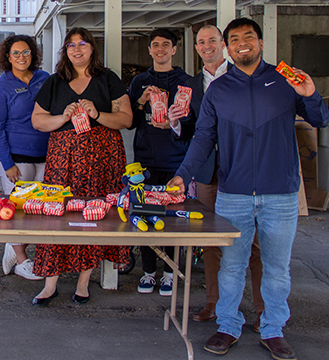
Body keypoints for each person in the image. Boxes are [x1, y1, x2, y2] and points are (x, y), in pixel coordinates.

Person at [167, 18, 329, 360]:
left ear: (259, 43)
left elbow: (321, 119)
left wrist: (311, 94)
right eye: (235, 39)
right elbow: (203, 137)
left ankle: (273, 329)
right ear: (227, 48)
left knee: (276, 268)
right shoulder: (219, 90)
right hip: (234, 193)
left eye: (249, 37)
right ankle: (228, 325)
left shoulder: (285, 81)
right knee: (232, 267)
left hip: (280, 193)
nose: (243, 43)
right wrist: (182, 175)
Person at [30, 27, 132, 305]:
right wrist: (62, 118)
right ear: (65, 50)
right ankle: (50, 283)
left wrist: (97, 113)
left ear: (92, 49)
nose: (77, 49)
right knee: (57, 213)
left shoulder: (107, 79)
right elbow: (38, 121)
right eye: (71, 45)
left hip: (101, 159)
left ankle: (84, 281)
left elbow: (126, 119)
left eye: (83, 44)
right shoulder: (54, 81)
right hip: (63, 161)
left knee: (93, 214)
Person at [182, 25, 264, 330]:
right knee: (213, 241)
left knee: (253, 242)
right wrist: (176, 123)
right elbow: (193, 131)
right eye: (201, 42)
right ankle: (215, 304)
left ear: (224, 46)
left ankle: (262, 309)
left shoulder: (245, 75)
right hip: (207, 172)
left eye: (212, 41)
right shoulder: (190, 84)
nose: (206, 46)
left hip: (243, 169)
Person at [128, 28, 192, 297]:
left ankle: (170, 273)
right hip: (145, 160)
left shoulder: (187, 82)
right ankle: (148, 272)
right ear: (150, 50)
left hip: (176, 161)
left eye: (166, 45)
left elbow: (196, 125)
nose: (160, 49)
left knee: (173, 220)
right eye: (155, 45)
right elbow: (129, 120)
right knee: (144, 215)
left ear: (174, 49)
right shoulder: (139, 81)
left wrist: (175, 124)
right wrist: (141, 101)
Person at [0, 35, 49, 281]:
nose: (21, 57)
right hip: (15, 158)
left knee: (36, 210)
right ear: (7, 57)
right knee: (17, 210)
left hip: (45, 155)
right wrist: (7, 163)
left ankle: (12, 248)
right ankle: (22, 261)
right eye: (16, 53)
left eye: (26, 52)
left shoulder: (45, 79)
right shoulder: (1, 86)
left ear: (32, 54)